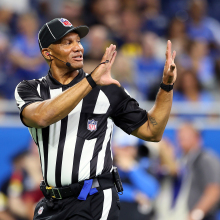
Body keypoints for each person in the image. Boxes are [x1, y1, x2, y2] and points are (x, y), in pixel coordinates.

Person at [14, 17, 177, 220]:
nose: (78, 47)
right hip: (52, 203)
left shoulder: (106, 89)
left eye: (78, 41)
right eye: (67, 42)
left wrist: (166, 86)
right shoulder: (30, 88)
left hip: (94, 199)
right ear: (48, 53)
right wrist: (91, 79)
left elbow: (153, 131)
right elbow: (41, 116)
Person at [155, 123, 220, 220]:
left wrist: (196, 214)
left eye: (187, 135)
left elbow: (215, 189)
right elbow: (171, 171)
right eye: (180, 135)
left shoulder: (206, 158)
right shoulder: (182, 160)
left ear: (197, 138)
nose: (182, 137)